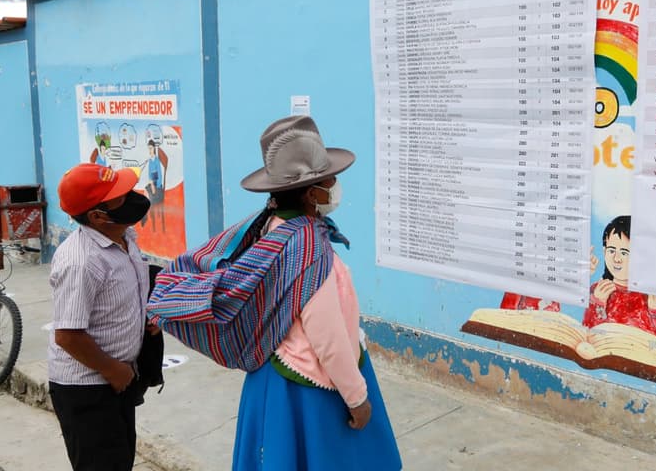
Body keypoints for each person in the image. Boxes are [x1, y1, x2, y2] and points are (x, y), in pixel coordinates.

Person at [149, 115, 401, 470]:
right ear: (312, 193)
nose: (336, 186)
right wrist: (357, 398)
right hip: (309, 389)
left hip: (270, 377)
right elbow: (327, 337)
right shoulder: (309, 250)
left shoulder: (269, 228)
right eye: (330, 180)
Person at [49, 163, 158, 471]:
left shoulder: (124, 237)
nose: (134, 197)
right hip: (90, 388)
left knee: (120, 461)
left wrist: (145, 317)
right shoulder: (81, 261)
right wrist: (113, 370)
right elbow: (67, 335)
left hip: (119, 378)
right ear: (98, 216)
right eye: (122, 196)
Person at [583, 215, 656, 344]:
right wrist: (597, 304)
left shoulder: (649, 295)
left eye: (625, 253)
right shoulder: (598, 290)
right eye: (611, 251)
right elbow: (587, 337)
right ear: (604, 252)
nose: (617, 259)